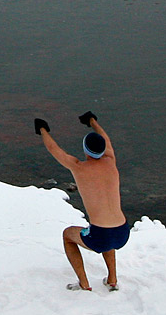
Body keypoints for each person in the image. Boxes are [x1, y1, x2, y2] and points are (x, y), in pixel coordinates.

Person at [36, 111, 129, 291]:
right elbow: (106, 139)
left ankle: (84, 283)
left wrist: (42, 130)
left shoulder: (78, 167)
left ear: (85, 150)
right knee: (108, 239)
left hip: (100, 235)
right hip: (123, 232)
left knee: (68, 235)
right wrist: (92, 121)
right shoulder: (110, 161)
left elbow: (55, 150)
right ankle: (112, 279)